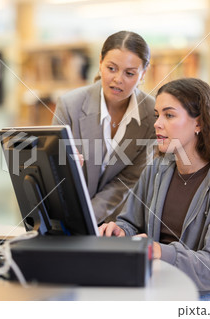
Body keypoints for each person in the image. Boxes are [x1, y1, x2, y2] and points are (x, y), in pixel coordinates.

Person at [99, 78, 210, 301]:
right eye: (157, 115)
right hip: (158, 285)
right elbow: (131, 222)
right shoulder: (157, 169)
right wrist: (121, 232)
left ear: (199, 123)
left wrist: (159, 251)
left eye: (169, 115)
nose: (157, 123)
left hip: (205, 295)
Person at [52, 31, 156, 223]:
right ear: (100, 62)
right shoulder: (69, 105)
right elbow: (53, 172)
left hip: (119, 224)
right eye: (111, 68)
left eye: (129, 73)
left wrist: (88, 217)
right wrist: (64, 164)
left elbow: (128, 179)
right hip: (69, 217)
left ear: (143, 73)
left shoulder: (151, 114)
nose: (118, 79)